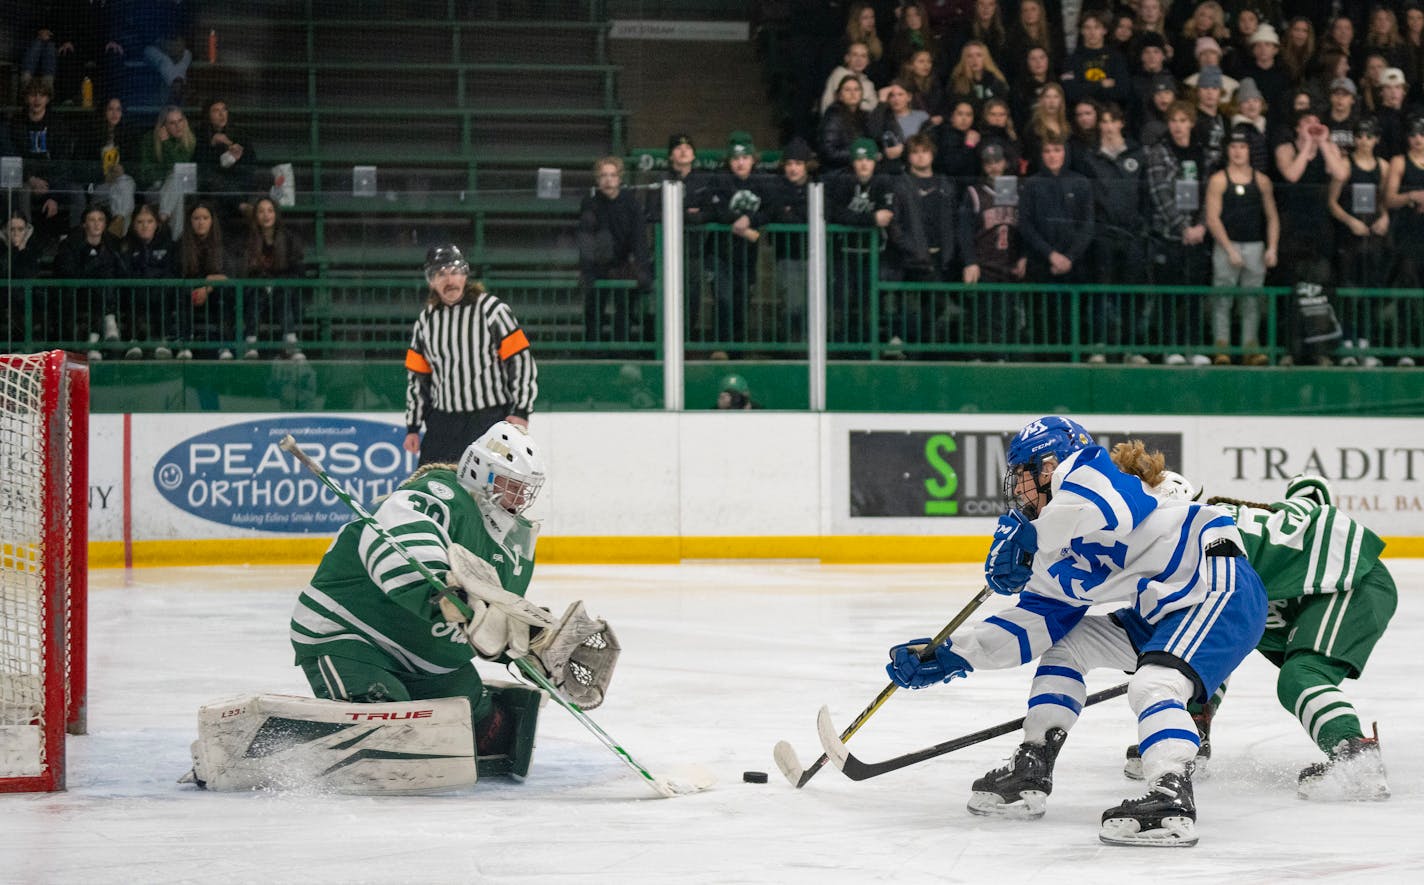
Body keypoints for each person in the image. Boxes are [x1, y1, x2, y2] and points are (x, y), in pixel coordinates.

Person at [884, 416, 1266, 847]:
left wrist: (1030, 536)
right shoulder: (1050, 548)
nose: (1020, 490)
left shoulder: (1091, 473)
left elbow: (1113, 507)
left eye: (1024, 476)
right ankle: (1033, 762)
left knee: (1154, 684)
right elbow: (1034, 625)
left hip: (1217, 587)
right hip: (1163, 607)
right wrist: (954, 652)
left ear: (1048, 466)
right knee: (1066, 645)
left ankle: (1170, 796)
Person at [290, 421, 618, 780]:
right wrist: (443, 588)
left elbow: (487, 620)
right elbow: (405, 529)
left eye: (526, 490)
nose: (520, 499)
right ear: (480, 470)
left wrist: (531, 642)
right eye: (511, 485)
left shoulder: (516, 545)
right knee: (386, 724)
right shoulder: (442, 493)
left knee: (486, 729)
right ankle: (289, 749)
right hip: (354, 636)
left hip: (429, 660)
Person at [1114, 464, 1395, 802]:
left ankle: (1356, 756)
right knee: (1210, 641)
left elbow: (1312, 499)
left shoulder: (1201, 539)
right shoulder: (1205, 533)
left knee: (1301, 675)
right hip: (1297, 597)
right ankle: (1193, 727)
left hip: (1353, 581)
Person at [404, 244, 538, 466]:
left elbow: (521, 361)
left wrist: (521, 410)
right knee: (431, 484)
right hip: (444, 423)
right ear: (431, 281)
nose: (450, 280)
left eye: (455, 272)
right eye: (441, 274)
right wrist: (413, 426)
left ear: (464, 274)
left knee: (489, 491)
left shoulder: (492, 310)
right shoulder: (425, 321)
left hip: (488, 419)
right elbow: (418, 378)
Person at [1202, 126, 1278, 366]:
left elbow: (1272, 216)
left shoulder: (1262, 181)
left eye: (1242, 147)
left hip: (1255, 245)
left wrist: (1272, 247)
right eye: (1233, 147)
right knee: (1222, 298)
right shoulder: (1218, 180)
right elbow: (1212, 218)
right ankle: (1221, 346)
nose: (1237, 152)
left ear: (1249, 151)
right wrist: (1229, 248)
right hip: (1228, 245)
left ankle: (1250, 347)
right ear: (1227, 150)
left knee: (1252, 300)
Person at [1147, 100, 1211, 365]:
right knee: (1168, 296)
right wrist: (1183, 228)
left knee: (1195, 295)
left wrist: (1202, 226)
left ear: (1191, 124)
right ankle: (1169, 347)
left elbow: (1209, 193)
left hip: (1198, 236)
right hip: (1169, 236)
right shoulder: (1159, 152)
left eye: (1183, 121)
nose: (1178, 126)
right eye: (1174, 121)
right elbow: (1159, 193)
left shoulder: (1202, 152)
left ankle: (1194, 347)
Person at [577, 155, 652, 347]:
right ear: (597, 179)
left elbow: (639, 239)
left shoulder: (631, 204)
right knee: (593, 310)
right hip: (598, 264)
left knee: (624, 310)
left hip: (624, 263)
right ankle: (593, 353)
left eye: (612, 175)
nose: (608, 180)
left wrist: (642, 268)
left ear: (620, 178)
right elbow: (586, 238)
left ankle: (622, 352)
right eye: (603, 176)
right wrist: (586, 270)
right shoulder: (590, 204)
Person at [54, 204, 130, 360]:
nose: (96, 224)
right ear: (84, 224)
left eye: (100, 220)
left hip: (105, 293)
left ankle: (94, 341)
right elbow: (68, 272)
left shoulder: (112, 244)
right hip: (78, 293)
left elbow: (122, 271)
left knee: (103, 282)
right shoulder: (71, 244)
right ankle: (107, 323)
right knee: (100, 283)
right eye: (92, 219)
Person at [6, 78, 73, 251]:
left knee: (78, 193)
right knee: (23, 190)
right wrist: (30, 178)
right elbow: (12, 156)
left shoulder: (58, 124)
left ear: (48, 99)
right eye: (33, 95)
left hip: (51, 182)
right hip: (26, 179)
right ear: (26, 98)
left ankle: (71, 243)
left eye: (41, 95)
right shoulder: (16, 123)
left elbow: (62, 161)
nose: (37, 99)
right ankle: (24, 240)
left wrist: (54, 195)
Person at [241, 196, 307, 360]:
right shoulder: (249, 239)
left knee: (282, 291)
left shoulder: (289, 238)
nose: (266, 215)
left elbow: (297, 269)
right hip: (257, 288)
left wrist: (277, 282)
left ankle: (291, 341)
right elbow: (245, 271)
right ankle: (251, 342)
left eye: (270, 210)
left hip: (283, 288)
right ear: (256, 215)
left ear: (276, 214)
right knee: (256, 292)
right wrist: (263, 282)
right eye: (261, 211)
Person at [120, 202, 180, 358]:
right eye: (140, 222)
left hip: (160, 293)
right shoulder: (126, 246)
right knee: (135, 291)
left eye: (149, 221)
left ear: (157, 224)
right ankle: (134, 341)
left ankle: (163, 340)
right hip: (136, 293)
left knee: (162, 290)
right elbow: (125, 272)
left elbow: (171, 271)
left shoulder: (169, 245)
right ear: (133, 225)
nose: (145, 226)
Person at [194, 99, 261, 236]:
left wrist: (236, 158)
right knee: (211, 184)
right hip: (210, 188)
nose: (221, 114)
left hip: (234, 185)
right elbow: (198, 167)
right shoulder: (199, 136)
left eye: (224, 110)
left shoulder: (240, 135)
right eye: (216, 111)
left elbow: (250, 165)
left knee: (220, 202)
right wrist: (212, 145)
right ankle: (240, 205)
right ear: (207, 115)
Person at [78, 98, 142, 238]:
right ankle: (121, 234)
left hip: (122, 185)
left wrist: (123, 169)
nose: (115, 113)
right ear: (103, 112)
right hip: (99, 185)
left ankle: (117, 225)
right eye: (110, 109)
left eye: (118, 109)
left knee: (123, 183)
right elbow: (80, 166)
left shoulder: (129, 135)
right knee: (123, 193)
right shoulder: (90, 135)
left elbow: (137, 166)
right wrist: (103, 175)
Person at [177, 201, 229, 359]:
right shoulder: (181, 246)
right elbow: (178, 274)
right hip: (189, 292)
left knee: (224, 297)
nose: (201, 222)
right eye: (196, 218)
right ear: (190, 221)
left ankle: (224, 345)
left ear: (212, 221)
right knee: (181, 295)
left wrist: (207, 287)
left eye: (205, 218)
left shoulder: (223, 245)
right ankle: (184, 343)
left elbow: (228, 275)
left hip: (214, 293)